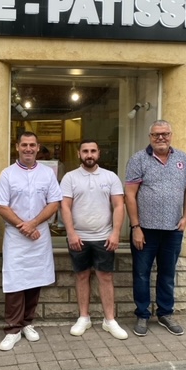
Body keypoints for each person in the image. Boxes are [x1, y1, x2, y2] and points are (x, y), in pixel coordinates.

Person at [124, 120, 186, 337]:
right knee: (142, 274)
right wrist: (135, 226)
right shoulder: (138, 159)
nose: (160, 138)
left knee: (167, 274)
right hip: (145, 230)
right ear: (150, 137)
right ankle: (143, 315)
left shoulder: (182, 159)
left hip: (173, 229)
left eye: (164, 134)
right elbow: (129, 194)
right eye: (156, 135)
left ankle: (165, 314)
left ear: (171, 135)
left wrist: (185, 218)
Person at [0, 131, 62, 351]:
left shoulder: (47, 174)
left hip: (39, 235)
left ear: (38, 147)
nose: (28, 149)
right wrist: (25, 226)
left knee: (35, 279)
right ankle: (13, 329)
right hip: (16, 237)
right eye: (24, 145)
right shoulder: (7, 174)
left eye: (32, 145)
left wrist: (33, 224)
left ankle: (27, 323)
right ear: (17, 147)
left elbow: (54, 203)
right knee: (15, 283)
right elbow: (1, 206)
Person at [60, 139, 128, 340]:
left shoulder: (110, 177)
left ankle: (109, 320)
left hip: (103, 237)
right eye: (85, 151)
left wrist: (115, 233)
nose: (89, 154)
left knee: (105, 277)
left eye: (93, 151)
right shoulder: (70, 178)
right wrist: (71, 233)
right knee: (81, 276)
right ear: (79, 154)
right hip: (78, 237)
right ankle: (84, 317)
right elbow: (65, 206)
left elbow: (118, 206)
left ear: (99, 153)